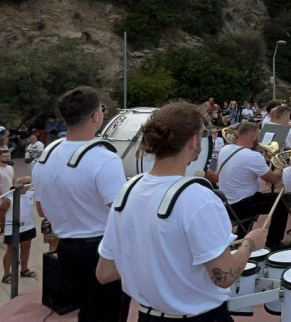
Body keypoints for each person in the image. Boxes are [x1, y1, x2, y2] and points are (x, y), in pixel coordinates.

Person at [97, 102, 268, 322]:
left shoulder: (127, 190)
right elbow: (224, 277)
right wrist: (250, 244)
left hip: (148, 315)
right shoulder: (199, 197)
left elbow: (105, 273)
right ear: (194, 141)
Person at [32, 87, 128, 322]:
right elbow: (120, 214)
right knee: (109, 314)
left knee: (87, 311)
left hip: (66, 249)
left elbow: (42, 210)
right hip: (101, 250)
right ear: (96, 116)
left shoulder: (45, 155)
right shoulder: (104, 158)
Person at [214, 121, 290, 251]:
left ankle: (242, 234)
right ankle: (274, 243)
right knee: (282, 201)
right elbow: (272, 179)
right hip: (241, 206)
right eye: (258, 135)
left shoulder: (225, 149)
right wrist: (281, 167)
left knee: (253, 194)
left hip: (226, 205)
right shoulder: (253, 156)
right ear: (254, 136)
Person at [0, 179, 36, 284]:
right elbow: (0, 213)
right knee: (11, 251)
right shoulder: (9, 199)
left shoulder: (30, 194)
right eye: (26, 183)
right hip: (12, 229)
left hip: (28, 227)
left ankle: (24, 269)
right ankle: (6, 274)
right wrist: (3, 227)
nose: (29, 185)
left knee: (26, 248)